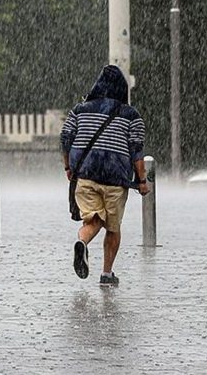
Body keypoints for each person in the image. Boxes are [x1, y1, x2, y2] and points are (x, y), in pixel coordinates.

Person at [60, 65, 149, 286]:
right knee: (113, 227)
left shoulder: (79, 110)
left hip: (86, 175)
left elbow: (65, 139)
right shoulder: (131, 115)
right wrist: (142, 181)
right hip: (115, 179)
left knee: (94, 219)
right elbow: (136, 151)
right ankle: (107, 274)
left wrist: (68, 167)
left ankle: (82, 241)